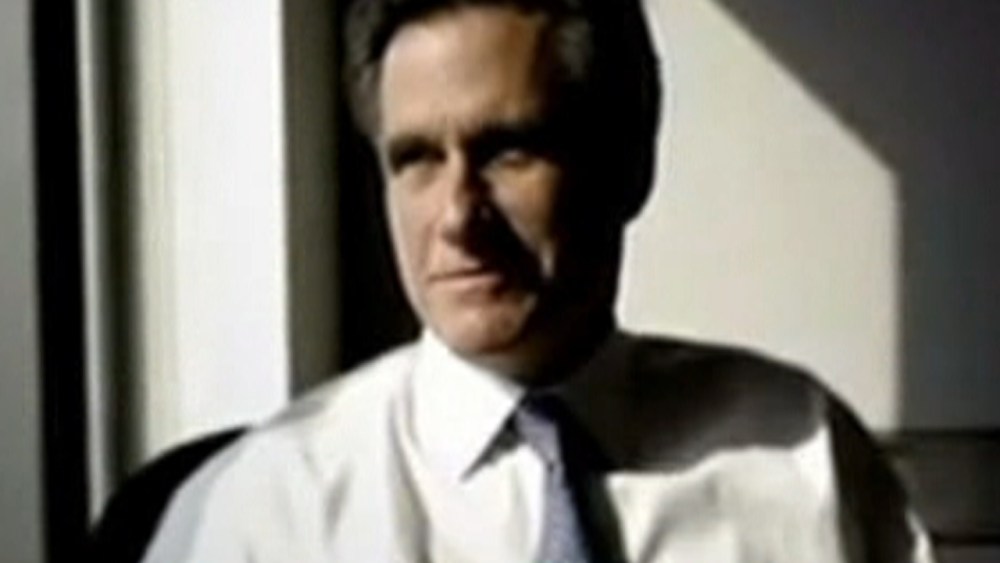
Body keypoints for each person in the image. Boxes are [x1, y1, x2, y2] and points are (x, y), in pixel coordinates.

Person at [141, 0, 934, 560]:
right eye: (417, 160)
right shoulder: (265, 512)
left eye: (508, 150)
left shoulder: (801, 457)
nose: (458, 215)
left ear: (628, 163)